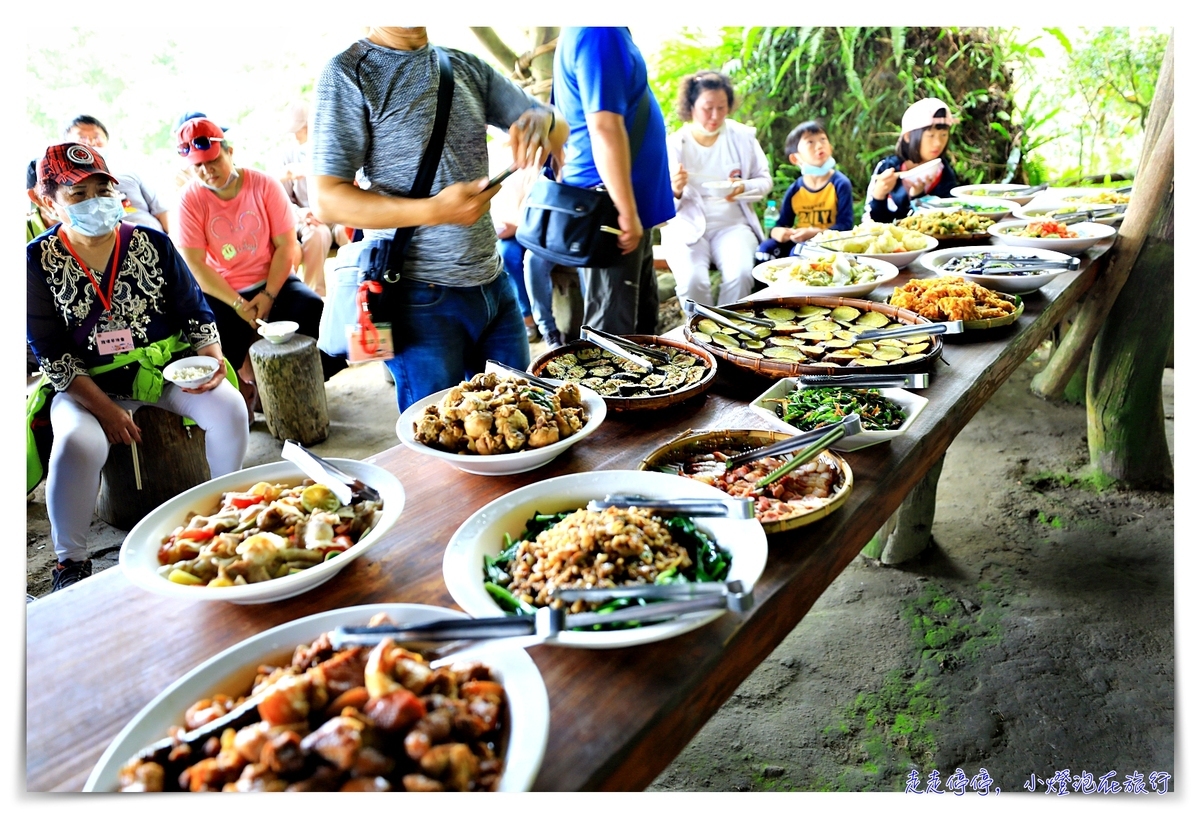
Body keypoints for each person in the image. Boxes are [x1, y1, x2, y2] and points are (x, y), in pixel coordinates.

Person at [309, 26, 567, 411]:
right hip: (417, 298)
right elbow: (326, 199)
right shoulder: (348, 73)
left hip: (494, 286)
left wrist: (544, 124)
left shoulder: (462, 65)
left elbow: (557, 124)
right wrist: (434, 210)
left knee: (528, 419)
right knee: (436, 440)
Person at [27, 143, 248, 591]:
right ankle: (71, 561)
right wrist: (106, 411)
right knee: (76, 444)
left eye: (102, 188)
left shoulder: (150, 242)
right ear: (47, 202)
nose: (96, 201)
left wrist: (210, 358)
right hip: (86, 389)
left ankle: (230, 511)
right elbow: (49, 352)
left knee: (229, 407)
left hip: (162, 371)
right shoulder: (35, 261)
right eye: (78, 194)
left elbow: (195, 312)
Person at [174, 117, 346, 421]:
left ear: (229, 151)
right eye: (197, 166)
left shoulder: (263, 184)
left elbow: (285, 246)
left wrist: (268, 295)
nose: (206, 171)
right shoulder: (189, 200)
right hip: (222, 289)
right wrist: (239, 304)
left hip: (271, 279)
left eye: (212, 161)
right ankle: (242, 392)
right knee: (210, 332)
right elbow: (196, 266)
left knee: (312, 309)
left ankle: (302, 386)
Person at [553, 27, 674, 335]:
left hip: (623, 204)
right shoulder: (599, 29)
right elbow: (605, 127)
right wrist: (626, 212)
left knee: (642, 327)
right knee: (613, 335)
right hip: (611, 207)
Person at [661, 71, 772, 306]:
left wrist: (743, 186)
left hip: (733, 225)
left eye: (722, 107)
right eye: (707, 108)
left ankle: (727, 331)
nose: (715, 115)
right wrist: (676, 190)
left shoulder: (742, 137)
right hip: (686, 228)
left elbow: (764, 181)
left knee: (741, 275)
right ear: (690, 106)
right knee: (692, 282)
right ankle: (699, 334)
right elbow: (662, 203)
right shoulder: (674, 144)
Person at [755, 120, 854, 261]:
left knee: (798, 253)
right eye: (810, 142)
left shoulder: (840, 184)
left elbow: (845, 227)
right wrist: (778, 232)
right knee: (764, 251)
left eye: (823, 139)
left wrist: (813, 233)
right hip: (799, 240)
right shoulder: (795, 189)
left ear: (830, 147)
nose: (819, 145)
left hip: (828, 244)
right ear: (795, 158)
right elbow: (782, 223)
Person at [64, 115, 171, 234]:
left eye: (96, 136)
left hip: (158, 240)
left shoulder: (130, 175)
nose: (90, 143)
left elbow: (162, 211)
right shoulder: (68, 190)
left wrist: (173, 242)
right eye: (82, 138)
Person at [279, 101, 344, 297]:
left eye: (300, 129)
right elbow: (282, 199)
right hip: (307, 217)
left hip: (337, 213)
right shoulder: (288, 154)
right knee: (317, 234)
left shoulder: (332, 147)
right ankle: (315, 296)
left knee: (348, 232)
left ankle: (359, 287)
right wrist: (301, 213)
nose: (296, 135)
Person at [865, 97, 960, 224]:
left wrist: (918, 197)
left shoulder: (944, 173)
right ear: (908, 136)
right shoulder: (886, 169)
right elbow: (872, 223)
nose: (938, 143)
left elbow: (948, 221)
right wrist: (879, 196)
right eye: (930, 136)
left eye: (943, 135)